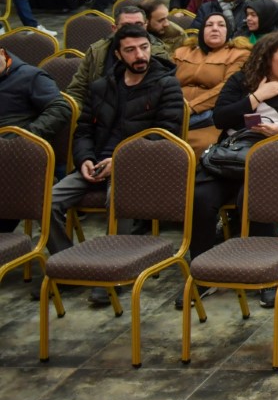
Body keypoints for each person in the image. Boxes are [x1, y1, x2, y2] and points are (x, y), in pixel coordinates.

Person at [48, 25, 185, 302]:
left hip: (138, 166)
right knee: (47, 202)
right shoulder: (102, 87)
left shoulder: (166, 84)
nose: (140, 55)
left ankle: (113, 272)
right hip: (97, 163)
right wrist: (85, 159)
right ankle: (70, 266)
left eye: (144, 48)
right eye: (131, 50)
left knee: (117, 199)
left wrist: (120, 161)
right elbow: (84, 130)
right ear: (118, 55)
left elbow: (162, 135)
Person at [193, 31, 278, 301]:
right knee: (200, 199)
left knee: (254, 199)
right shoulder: (241, 82)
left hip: (276, 161)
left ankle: (265, 276)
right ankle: (201, 275)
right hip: (230, 159)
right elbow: (219, 118)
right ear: (267, 58)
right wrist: (256, 97)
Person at [173, 12, 251, 128]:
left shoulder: (239, 54)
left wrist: (191, 107)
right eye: (209, 25)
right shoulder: (182, 52)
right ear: (202, 31)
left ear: (228, 31)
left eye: (221, 25)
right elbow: (166, 81)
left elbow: (227, 88)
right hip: (174, 109)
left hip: (209, 115)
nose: (214, 28)